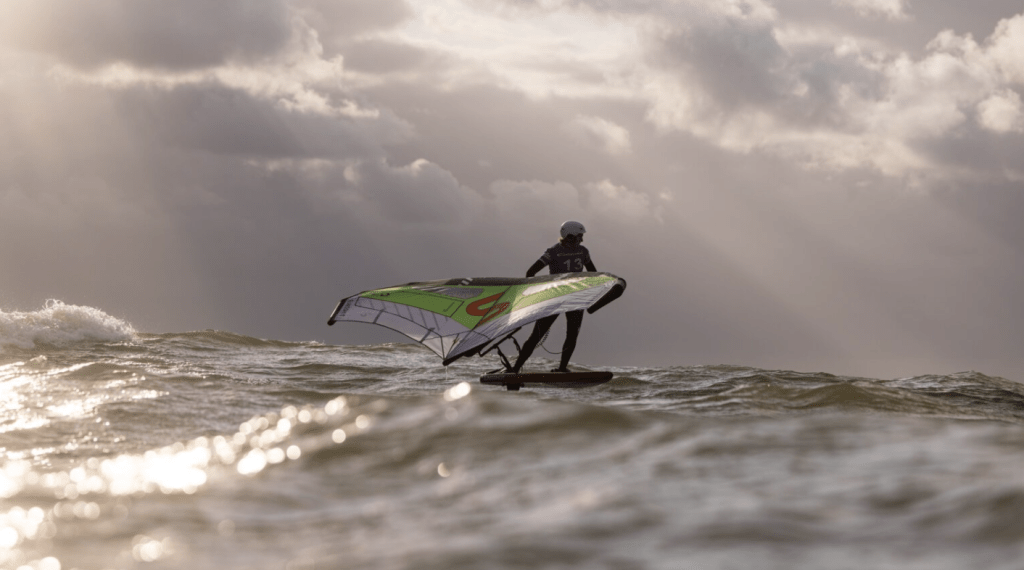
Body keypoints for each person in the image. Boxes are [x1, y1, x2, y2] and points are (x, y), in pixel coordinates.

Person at [510, 220, 597, 373]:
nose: (582, 240)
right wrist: (538, 293)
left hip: (574, 298)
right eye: (580, 236)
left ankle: (562, 369)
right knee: (536, 335)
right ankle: (515, 369)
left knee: (572, 335)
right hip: (555, 298)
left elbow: (593, 274)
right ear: (570, 236)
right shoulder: (553, 252)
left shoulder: (583, 251)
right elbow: (531, 272)